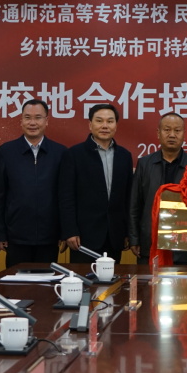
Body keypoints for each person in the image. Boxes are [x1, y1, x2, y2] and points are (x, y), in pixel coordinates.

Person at [0, 99, 67, 266]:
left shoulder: (60, 152)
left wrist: (64, 232)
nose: (32, 123)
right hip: (15, 236)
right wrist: (0, 233)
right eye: (27, 117)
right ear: (21, 121)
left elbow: (65, 196)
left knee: (46, 281)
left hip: (50, 236)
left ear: (46, 121)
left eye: (38, 117)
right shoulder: (6, 151)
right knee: (17, 280)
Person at [58, 104, 134, 263]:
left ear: (116, 126)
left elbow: (128, 197)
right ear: (90, 124)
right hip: (83, 237)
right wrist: (70, 231)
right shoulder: (74, 154)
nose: (105, 126)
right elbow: (66, 196)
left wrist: (128, 232)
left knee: (113, 277)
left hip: (115, 236)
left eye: (110, 121)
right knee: (83, 278)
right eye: (99, 121)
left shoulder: (125, 156)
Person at [130, 113, 187, 265]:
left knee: (182, 280)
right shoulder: (145, 164)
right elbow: (135, 204)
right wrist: (134, 238)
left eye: (177, 130)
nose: (172, 135)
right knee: (148, 280)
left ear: (184, 134)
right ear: (158, 133)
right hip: (149, 240)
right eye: (167, 130)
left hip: (184, 242)